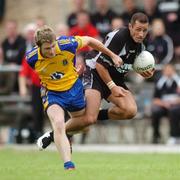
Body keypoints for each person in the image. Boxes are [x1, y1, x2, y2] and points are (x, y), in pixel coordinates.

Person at [37, 13, 154, 148]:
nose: (141, 34)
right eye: (138, 29)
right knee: (89, 119)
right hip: (96, 73)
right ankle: (54, 135)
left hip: (115, 78)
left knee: (130, 110)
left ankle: (82, 119)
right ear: (130, 27)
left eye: (144, 30)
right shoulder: (120, 36)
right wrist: (112, 87)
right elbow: (100, 65)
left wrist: (144, 72)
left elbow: (129, 64)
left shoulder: (141, 46)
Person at [26, 25, 122, 170]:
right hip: (53, 93)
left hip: (74, 89)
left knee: (85, 127)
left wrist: (112, 55)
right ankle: (68, 165)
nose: (52, 51)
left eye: (53, 46)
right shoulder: (32, 58)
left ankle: (57, 135)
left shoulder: (66, 44)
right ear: (38, 46)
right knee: (58, 123)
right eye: (47, 49)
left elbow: (90, 40)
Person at [151, 64, 180, 144]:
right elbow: (155, 99)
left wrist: (174, 102)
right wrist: (164, 104)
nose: (168, 72)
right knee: (155, 111)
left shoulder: (178, 81)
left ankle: (174, 136)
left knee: (173, 111)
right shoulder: (160, 82)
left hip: (176, 106)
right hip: (164, 105)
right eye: (166, 70)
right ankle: (156, 136)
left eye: (170, 70)